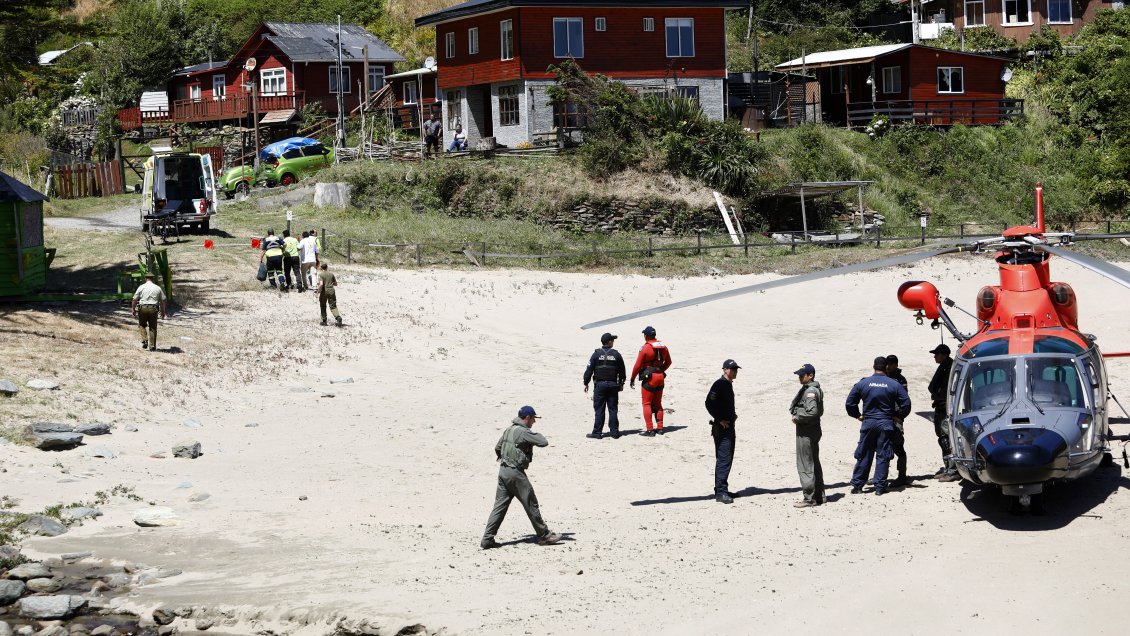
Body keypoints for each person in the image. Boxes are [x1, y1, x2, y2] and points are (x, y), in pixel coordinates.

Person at [481, 405, 564, 549]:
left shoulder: (509, 430)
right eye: (533, 419)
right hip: (515, 473)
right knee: (530, 502)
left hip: (503, 471)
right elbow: (543, 441)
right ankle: (544, 535)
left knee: (499, 507)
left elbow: (498, 448)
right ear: (527, 418)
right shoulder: (523, 431)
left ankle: (487, 539)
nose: (534, 422)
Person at [845, 356, 911, 495]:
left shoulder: (864, 383)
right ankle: (880, 488)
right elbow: (906, 403)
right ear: (886, 367)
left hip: (868, 422)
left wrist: (857, 415)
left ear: (874, 366)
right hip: (886, 423)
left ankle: (857, 485)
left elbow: (850, 403)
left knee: (864, 454)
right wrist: (898, 416)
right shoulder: (893, 384)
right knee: (883, 454)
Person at [705, 359, 741, 504]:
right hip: (722, 429)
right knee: (724, 459)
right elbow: (709, 403)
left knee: (726, 459)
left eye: (736, 369)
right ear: (725, 370)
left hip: (728, 427)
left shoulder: (727, 384)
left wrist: (732, 416)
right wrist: (720, 419)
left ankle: (721, 489)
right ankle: (721, 492)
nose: (735, 371)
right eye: (732, 369)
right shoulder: (720, 384)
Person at [790, 363, 825, 508]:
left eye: (802, 375)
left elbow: (812, 412)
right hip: (811, 430)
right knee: (813, 462)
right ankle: (819, 496)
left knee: (805, 464)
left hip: (807, 430)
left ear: (811, 375)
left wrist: (797, 417)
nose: (799, 377)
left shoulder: (810, 391)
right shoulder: (812, 389)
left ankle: (809, 498)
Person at [583, 332, 627, 439]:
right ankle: (614, 432)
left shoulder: (596, 354)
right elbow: (622, 371)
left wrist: (586, 382)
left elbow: (589, 370)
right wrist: (621, 383)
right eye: (613, 340)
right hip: (612, 385)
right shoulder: (616, 354)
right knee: (613, 409)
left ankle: (597, 433)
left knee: (599, 409)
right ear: (609, 342)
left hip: (600, 385)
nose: (614, 342)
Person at [630, 326, 672, 436]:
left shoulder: (645, 348)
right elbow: (669, 362)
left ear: (646, 336)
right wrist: (661, 370)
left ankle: (650, 430)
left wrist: (632, 378)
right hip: (660, 376)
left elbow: (638, 365)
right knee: (658, 404)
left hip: (650, 378)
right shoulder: (663, 347)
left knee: (647, 403)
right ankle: (660, 428)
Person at [928, 344, 961, 482]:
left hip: (946, 409)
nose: (935, 356)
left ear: (944, 354)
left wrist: (947, 401)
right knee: (943, 438)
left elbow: (952, 388)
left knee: (947, 439)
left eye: (937, 354)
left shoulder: (951, 367)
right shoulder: (944, 366)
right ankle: (948, 467)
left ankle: (953, 469)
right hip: (941, 408)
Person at [885, 354, 910, 487]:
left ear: (895, 365)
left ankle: (902, 475)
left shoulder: (900, 380)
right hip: (884, 417)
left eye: (889, 364)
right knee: (883, 446)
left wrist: (899, 416)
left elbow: (904, 400)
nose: (887, 366)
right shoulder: (884, 377)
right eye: (886, 364)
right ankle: (882, 474)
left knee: (898, 446)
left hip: (895, 418)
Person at [131, 272, 167, 351]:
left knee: (142, 325)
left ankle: (144, 340)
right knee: (153, 327)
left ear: (145, 278)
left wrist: (133, 309)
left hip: (142, 308)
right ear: (153, 279)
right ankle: (152, 346)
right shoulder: (158, 288)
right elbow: (163, 300)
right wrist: (163, 311)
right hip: (153, 309)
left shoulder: (141, 287)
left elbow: (134, 299)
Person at [315, 262, 343, 327]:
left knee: (323, 305)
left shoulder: (321, 275)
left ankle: (324, 320)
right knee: (333, 305)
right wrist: (330, 283)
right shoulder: (331, 274)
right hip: (331, 291)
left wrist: (317, 292)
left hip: (324, 291)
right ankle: (338, 317)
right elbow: (335, 284)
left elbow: (321, 284)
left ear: (321, 268)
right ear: (327, 267)